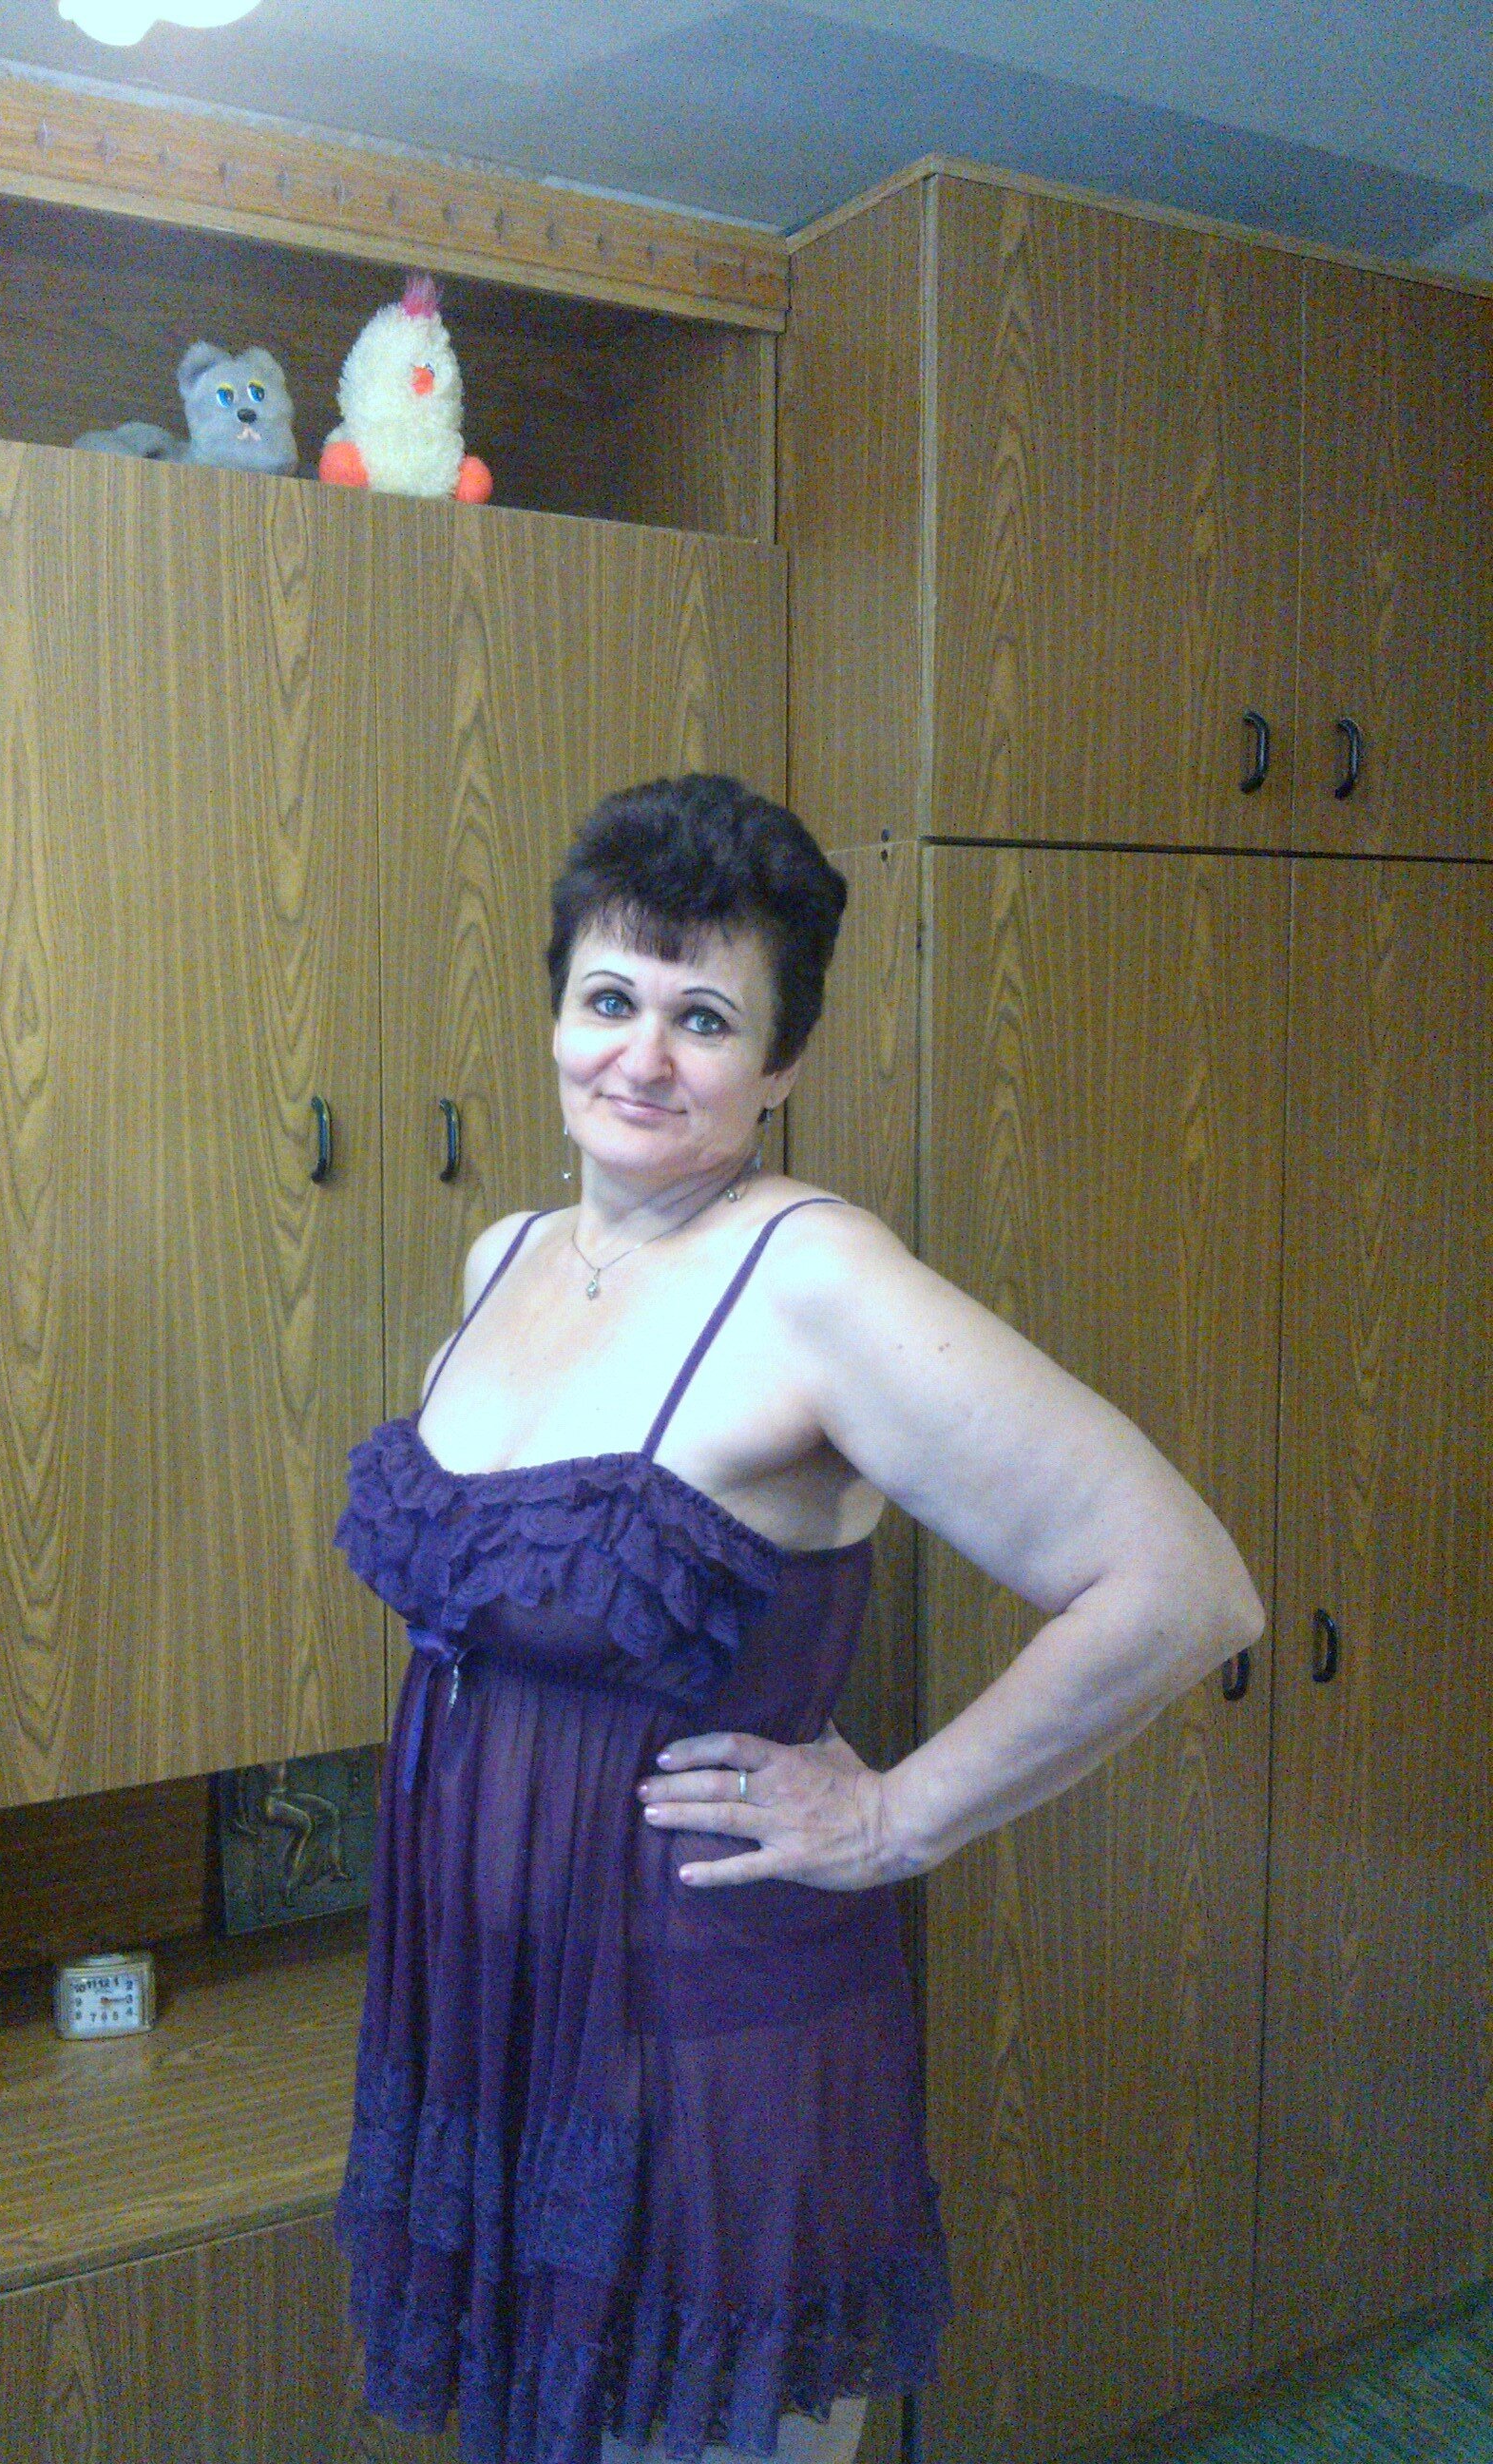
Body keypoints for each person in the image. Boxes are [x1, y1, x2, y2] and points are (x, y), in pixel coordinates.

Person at [332, 774, 1267, 2464]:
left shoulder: (818, 1284)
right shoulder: (504, 1257)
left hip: (698, 2021)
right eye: (609, 999)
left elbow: (1179, 1582)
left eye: (705, 1020)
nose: (642, 1056)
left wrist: (901, 1815)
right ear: (554, 1014)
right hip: (493, 2009)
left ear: (779, 1065)